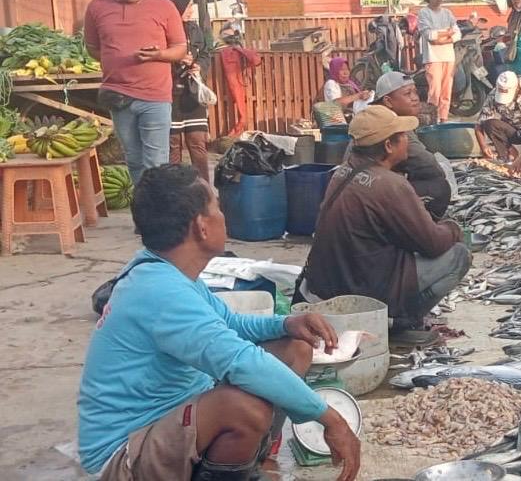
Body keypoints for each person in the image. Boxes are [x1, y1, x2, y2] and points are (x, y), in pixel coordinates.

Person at [77, 164, 360, 481]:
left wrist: (287, 325)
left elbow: (228, 323)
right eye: (218, 206)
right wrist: (329, 418)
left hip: (167, 422)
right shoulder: (160, 290)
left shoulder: (168, 271)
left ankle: (249, 464)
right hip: (123, 457)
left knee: (294, 348)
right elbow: (241, 362)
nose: (223, 215)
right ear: (201, 226)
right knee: (240, 408)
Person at [300, 106, 472, 336]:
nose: (407, 142)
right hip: (362, 292)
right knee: (459, 255)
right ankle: (402, 322)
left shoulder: (343, 171)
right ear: (388, 146)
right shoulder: (389, 184)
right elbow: (432, 243)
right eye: (402, 137)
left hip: (327, 286)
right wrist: (452, 228)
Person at [84, 0, 188, 184]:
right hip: (118, 96)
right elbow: (92, 47)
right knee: (134, 159)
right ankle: (143, 212)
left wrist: (158, 55)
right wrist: (117, 61)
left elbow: (180, 48)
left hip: (155, 96)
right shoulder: (96, 7)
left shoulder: (164, 6)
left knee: (157, 162)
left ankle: (158, 217)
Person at [374, 71, 452, 219]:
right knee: (439, 187)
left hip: (367, 190)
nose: (415, 98)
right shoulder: (393, 125)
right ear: (388, 101)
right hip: (373, 196)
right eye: (407, 93)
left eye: (415, 92)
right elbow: (429, 166)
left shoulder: (373, 115)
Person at [156, 0, 213, 182]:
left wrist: (199, 66)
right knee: (173, 145)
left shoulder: (194, 29)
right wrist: (177, 60)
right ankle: (176, 190)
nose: (191, 10)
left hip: (192, 94)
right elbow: (154, 60)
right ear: (175, 7)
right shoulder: (159, 32)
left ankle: (204, 191)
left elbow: (206, 53)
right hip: (169, 94)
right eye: (188, 6)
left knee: (198, 143)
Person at [475, 70, 521, 163]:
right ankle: (506, 156)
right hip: (514, 131)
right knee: (490, 124)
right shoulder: (493, 95)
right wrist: (483, 146)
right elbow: (479, 124)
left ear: (517, 88)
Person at [417, 0, 460, 122]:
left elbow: (457, 34)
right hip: (433, 57)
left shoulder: (447, 13)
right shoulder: (424, 13)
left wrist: (442, 39)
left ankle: (443, 118)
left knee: (447, 91)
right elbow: (429, 35)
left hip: (448, 56)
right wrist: (447, 33)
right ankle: (432, 119)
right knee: (435, 91)